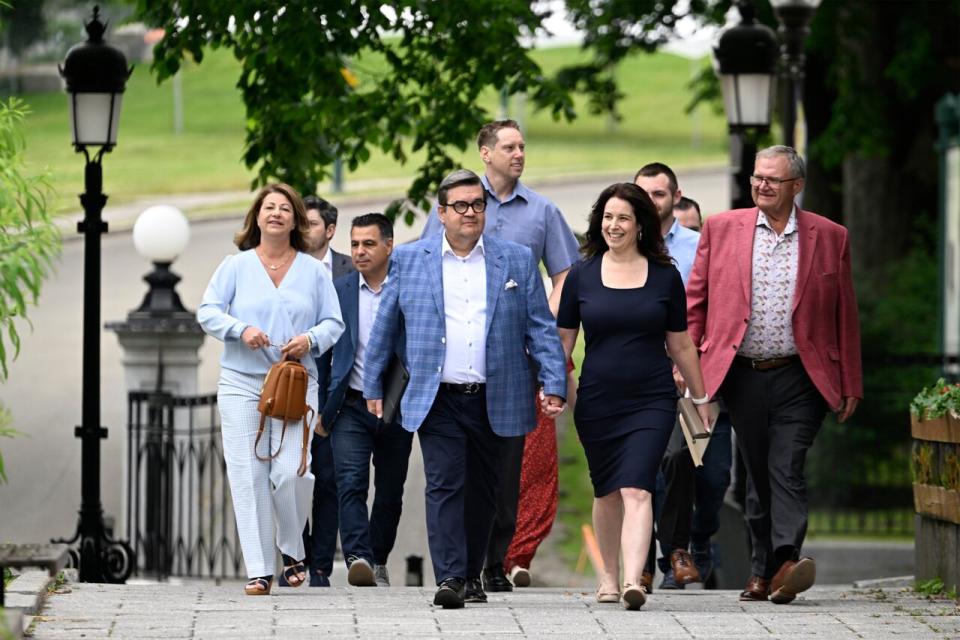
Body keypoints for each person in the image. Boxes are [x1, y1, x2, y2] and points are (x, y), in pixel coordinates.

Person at [364, 169, 567, 608]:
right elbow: (386, 324)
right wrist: (373, 382)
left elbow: (540, 327)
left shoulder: (514, 260)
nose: (470, 213)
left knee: (484, 490)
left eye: (477, 204)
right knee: (444, 483)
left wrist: (554, 380)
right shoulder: (411, 259)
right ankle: (451, 577)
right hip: (435, 395)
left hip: (496, 394)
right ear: (441, 213)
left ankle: (473, 572)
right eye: (460, 206)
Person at [686, 145, 862, 604]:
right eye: (757, 178)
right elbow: (696, 303)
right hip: (741, 374)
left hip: (801, 375)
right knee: (756, 474)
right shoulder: (722, 229)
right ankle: (764, 571)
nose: (762, 185)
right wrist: (687, 365)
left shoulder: (830, 236)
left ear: (796, 186)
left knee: (786, 466)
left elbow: (845, 314)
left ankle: (785, 558)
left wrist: (851, 383)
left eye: (773, 179)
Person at [421, 119, 580, 591]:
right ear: (485, 152)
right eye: (509, 146)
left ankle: (495, 559)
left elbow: (565, 277)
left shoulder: (542, 212)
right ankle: (462, 570)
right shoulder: (454, 204)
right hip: (457, 362)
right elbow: (427, 270)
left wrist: (541, 329)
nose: (519, 154)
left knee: (504, 467)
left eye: (523, 146)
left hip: (514, 361)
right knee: (453, 475)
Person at [557, 182, 713, 611]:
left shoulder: (665, 276)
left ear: (641, 223)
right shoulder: (582, 274)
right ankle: (607, 577)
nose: (614, 225)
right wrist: (552, 387)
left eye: (623, 217)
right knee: (606, 490)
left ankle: (633, 580)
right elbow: (563, 343)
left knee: (637, 488)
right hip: (598, 400)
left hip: (652, 398)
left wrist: (701, 399)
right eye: (607, 217)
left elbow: (681, 344)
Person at [197, 183, 345, 596]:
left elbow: (334, 323)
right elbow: (207, 311)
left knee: (291, 472)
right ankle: (260, 569)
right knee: (249, 475)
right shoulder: (235, 266)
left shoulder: (314, 272)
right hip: (242, 383)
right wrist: (239, 329)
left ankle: (292, 547)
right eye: (269, 207)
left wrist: (311, 340)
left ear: (296, 219)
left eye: (285, 208)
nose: (276, 213)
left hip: (297, 381)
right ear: (257, 217)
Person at [319, 213, 413, 588]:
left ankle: (378, 557)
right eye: (355, 244)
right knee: (351, 482)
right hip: (351, 406)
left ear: (389, 245)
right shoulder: (339, 290)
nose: (359, 251)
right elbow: (325, 355)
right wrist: (322, 408)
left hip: (396, 406)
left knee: (390, 490)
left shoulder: (408, 289)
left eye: (369, 244)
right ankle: (358, 556)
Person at [294, 194, 354, 588]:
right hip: (292, 390)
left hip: (336, 393)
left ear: (330, 230)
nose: (303, 230)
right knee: (290, 479)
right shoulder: (285, 267)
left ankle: (320, 567)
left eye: (311, 224)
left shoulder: (350, 271)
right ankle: (294, 559)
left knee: (329, 482)